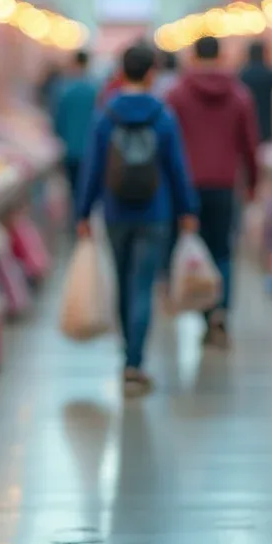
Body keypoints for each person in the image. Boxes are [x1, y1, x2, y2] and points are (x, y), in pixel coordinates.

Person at [76, 43, 199, 396]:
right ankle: (135, 364)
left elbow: (93, 167)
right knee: (143, 285)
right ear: (150, 73)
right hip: (155, 212)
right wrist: (187, 210)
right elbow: (177, 167)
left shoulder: (106, 115)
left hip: (115, 213)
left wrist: (84, 211)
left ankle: (125, 356)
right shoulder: (163, 116)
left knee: (122, 282)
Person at [167, 35, 260, 347]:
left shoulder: (177, 95)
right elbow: (249, 144)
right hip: (224, 184)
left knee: (192, 250)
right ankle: (220, 312)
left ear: (193, 56)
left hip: (186, 186)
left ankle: (199, 310)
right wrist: (253, 182)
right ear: (221, 57)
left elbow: (168, 145)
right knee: (222, 251)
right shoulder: (239, 95)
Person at [53, 50, 100, 210]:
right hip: (90, 149)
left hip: (70, 148)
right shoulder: (95, 89)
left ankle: (76, 222)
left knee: (73, 190)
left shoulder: (65, 90)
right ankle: (84, 218)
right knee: (87, 189)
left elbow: (58, 121)